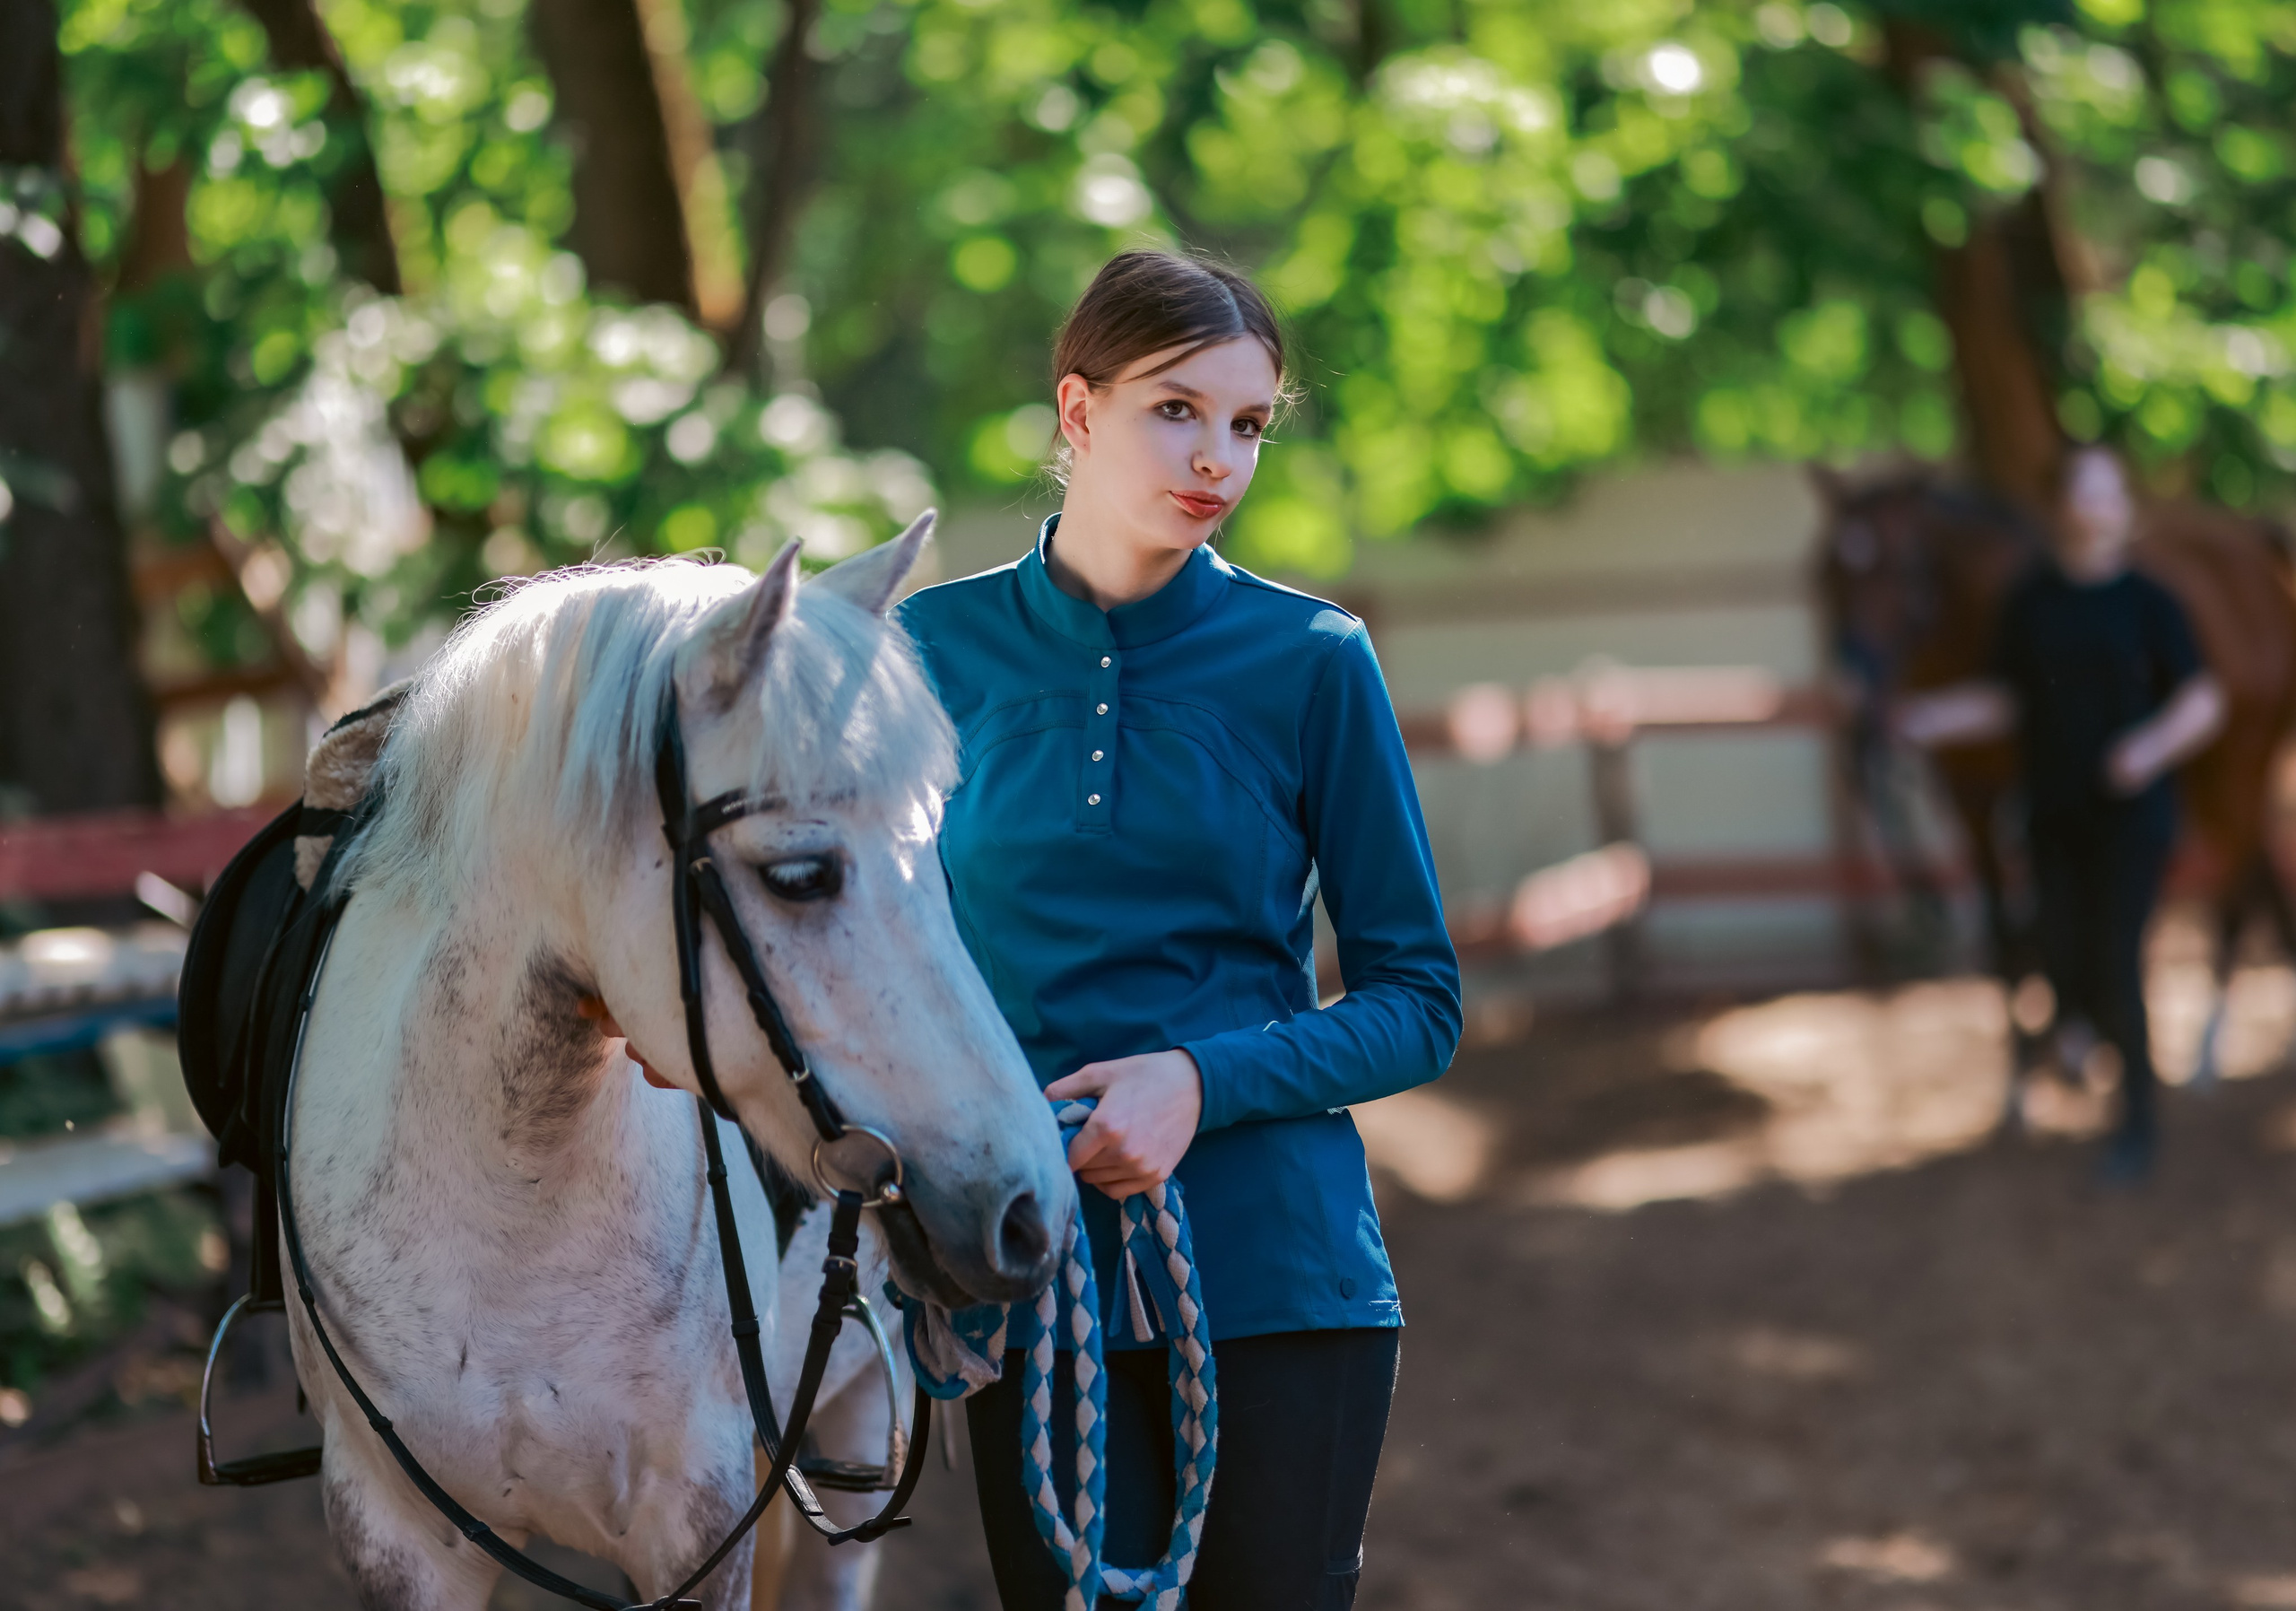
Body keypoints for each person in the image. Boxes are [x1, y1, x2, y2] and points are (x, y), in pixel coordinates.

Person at [894, 249, 1462, 1609]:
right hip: (1030, 1271)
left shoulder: (1313, 659)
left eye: (1249, 424)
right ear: (1078, 414)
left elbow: (1418, 997)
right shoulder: (925, 652)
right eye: (1177, 410)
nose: (1217, 456)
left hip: (1278, 1274)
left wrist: (1199, 1080)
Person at [1896, 446, 2224, 1181]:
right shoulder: (2031, 601)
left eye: (2109, 493)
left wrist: (2147, 749)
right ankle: (2082, 1040)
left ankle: (2136, 1122)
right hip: (2052, 814)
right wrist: (1929, 719)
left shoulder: (2150, 602)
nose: (2095, 506)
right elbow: (2009, 698)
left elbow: (2203, 700)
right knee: (2056, 949)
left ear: (2123, 510)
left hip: (2132, 820)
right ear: (2063, 506)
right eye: (2084, 491)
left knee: (2117, 957)